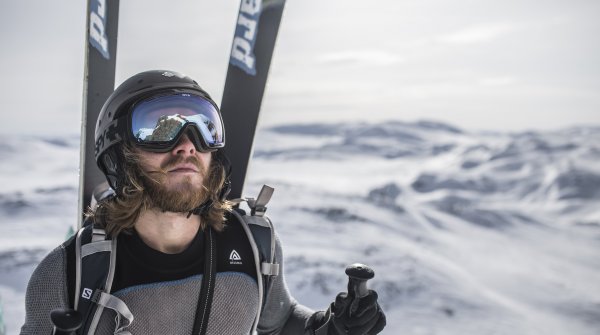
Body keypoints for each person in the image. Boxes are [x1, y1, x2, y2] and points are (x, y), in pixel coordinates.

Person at [20, 70, 386, 335]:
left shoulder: (252, 243)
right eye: (158, 129)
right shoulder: (67, 273)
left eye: (203, 127)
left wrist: (333, 327)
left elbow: (281, 321)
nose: (187, 145)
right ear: (120, 156)